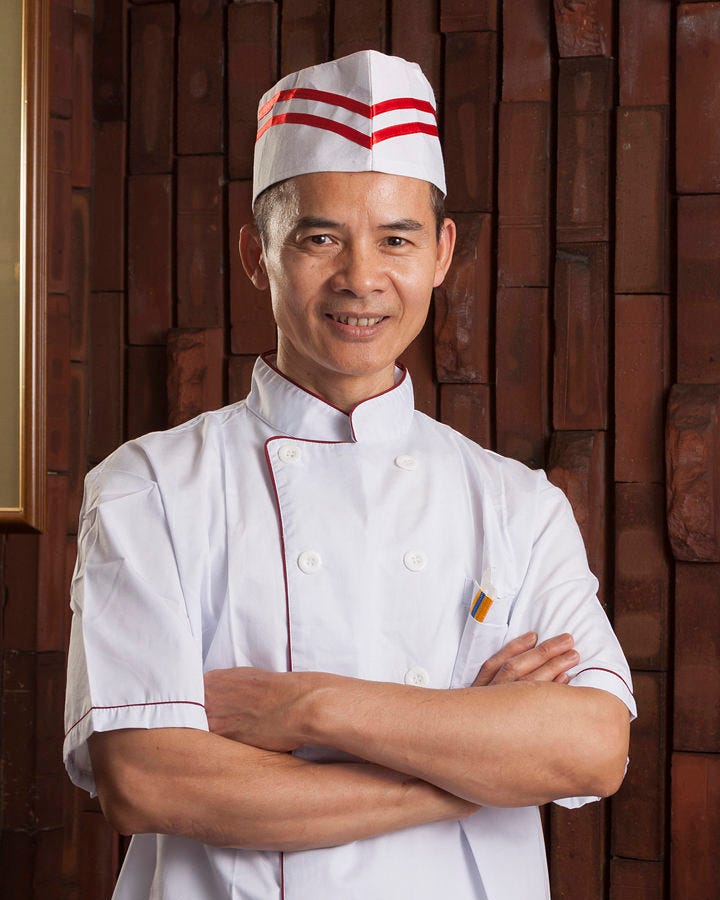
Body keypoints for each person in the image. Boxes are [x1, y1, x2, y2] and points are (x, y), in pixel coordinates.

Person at [64, 50, 636, 899]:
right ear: (256, 253)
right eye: (319, 238)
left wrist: (306, 708)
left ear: (442, 253)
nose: (361, 279)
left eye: (396, 239)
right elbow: (147, 781)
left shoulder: (518, 504)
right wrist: (466, 772)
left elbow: (591, 747)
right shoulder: (148, 488)